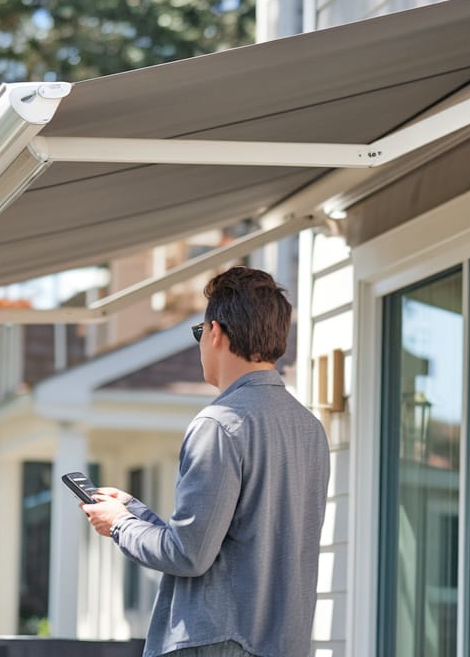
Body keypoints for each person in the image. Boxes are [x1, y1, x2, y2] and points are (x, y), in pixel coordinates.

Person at [82, 266, 330, 657]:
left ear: (215, 332)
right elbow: (232, 544)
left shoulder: (219, 424)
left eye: (199, 333)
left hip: (214, 643)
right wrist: (135, 515)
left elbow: (188, 555)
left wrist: (119, 525)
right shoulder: (310, 429)